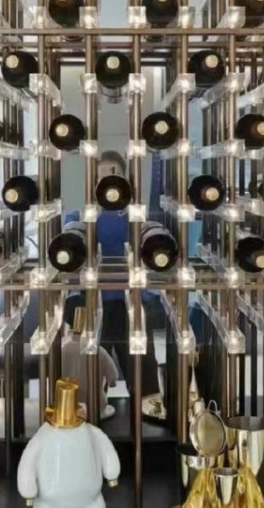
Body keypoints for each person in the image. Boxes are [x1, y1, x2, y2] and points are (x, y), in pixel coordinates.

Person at [64, 150, 163, 413]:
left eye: (114, 175)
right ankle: (88, 417)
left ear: (125, 180)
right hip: (91, 305)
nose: (108, 184)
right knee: (88, 373)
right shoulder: (79, 217)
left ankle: (149, 417)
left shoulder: (135, 218)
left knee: (142, 373)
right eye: (101, 179)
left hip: (131, 304)